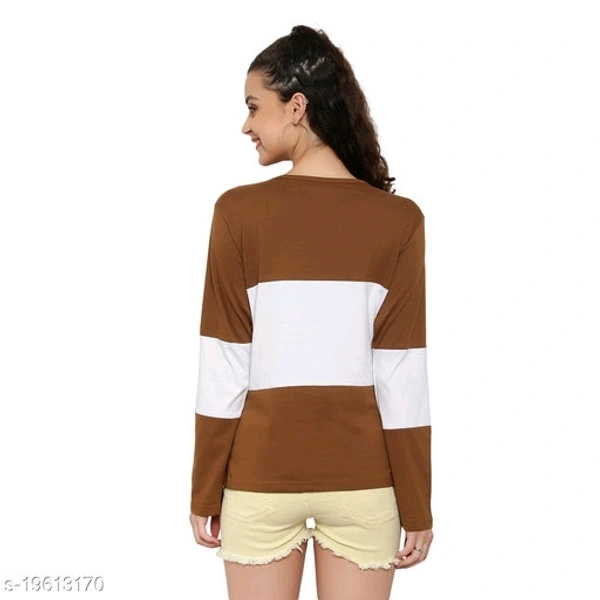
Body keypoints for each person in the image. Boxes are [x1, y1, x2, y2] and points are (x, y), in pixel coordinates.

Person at [189, 24, 433, 600]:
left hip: (259, 480)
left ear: (296, 107)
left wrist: (204, 489)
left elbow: (224, 362)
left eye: (254, 107)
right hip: (364, 484)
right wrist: (417, 503)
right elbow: (401, 373)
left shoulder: (237, 214)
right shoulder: (399, 220)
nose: (246, 125)